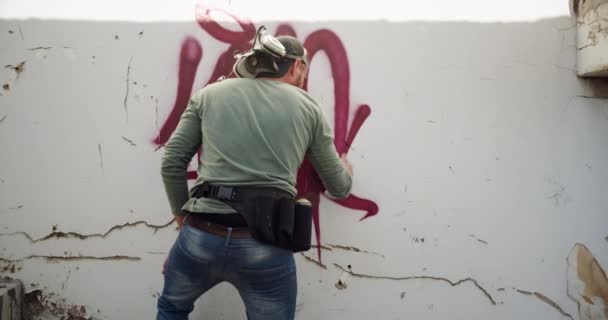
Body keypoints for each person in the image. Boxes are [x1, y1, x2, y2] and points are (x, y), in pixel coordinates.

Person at [157, 34, 353, 320]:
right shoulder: (308, 107)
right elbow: (339, 187)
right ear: (297, 66)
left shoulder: (209, 95)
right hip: (265, 243)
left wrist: (182, 221)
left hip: (201, 234)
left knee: (172, 310)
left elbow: (172, 162)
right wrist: (346, 171)